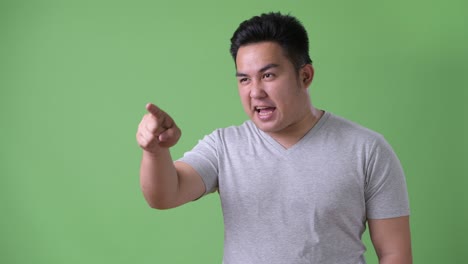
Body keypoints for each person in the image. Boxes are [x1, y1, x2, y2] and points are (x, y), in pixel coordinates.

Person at [136, 12, 412, 264]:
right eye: (244, 79)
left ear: (305, 76)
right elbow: (165, 195)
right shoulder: (224, 146)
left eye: (268, 75)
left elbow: (394, 253)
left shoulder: (367, 149)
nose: (255, 91)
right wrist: (155, 151)